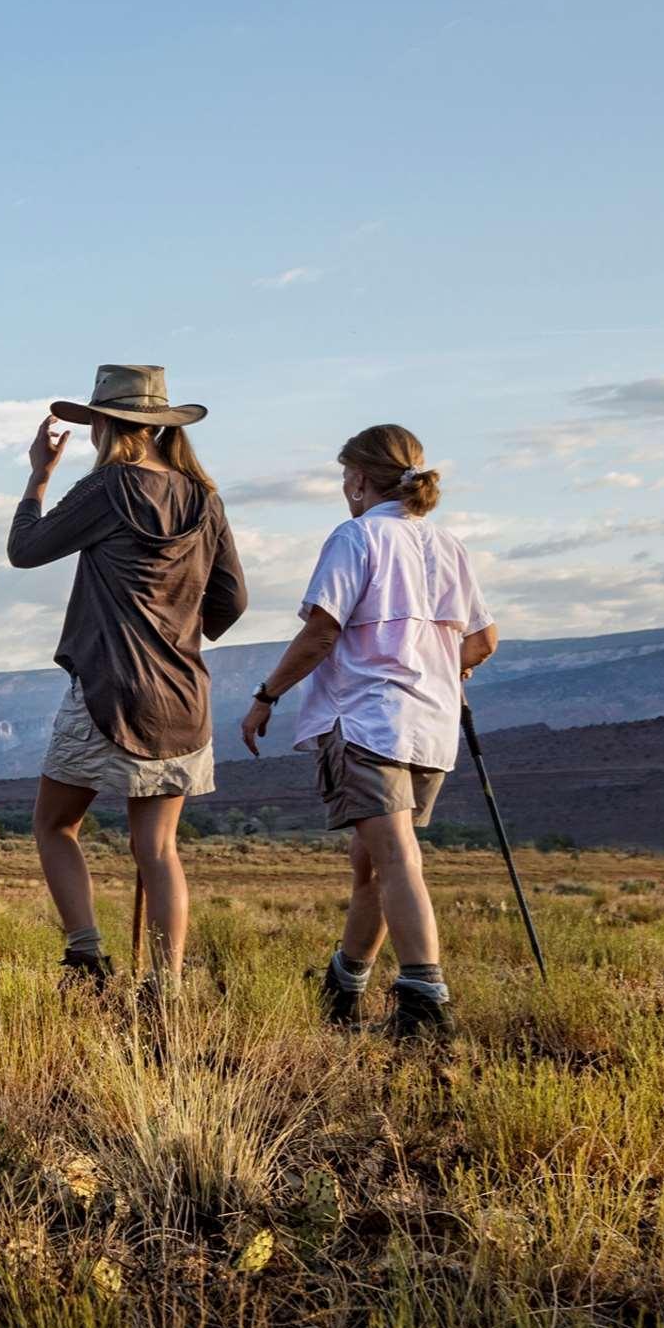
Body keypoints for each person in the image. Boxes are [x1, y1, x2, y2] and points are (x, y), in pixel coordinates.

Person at [240, 423, 495, 1038]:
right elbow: (482, 640)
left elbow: (322, 632)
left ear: (356, 479)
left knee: (396, 860)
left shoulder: (356, 537)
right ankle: (344, 983)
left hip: (368, 722)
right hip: (431, 729)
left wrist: (266, 695)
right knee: (374, 869)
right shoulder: (447, 544)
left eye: (343, 478)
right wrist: (441, 668)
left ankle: (423, 1000)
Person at [9, 365, 248, 993]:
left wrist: (39, 475)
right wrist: (178, 623)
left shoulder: (108, 488)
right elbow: (231, 601)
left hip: (108, 690)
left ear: (109, 425)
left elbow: (25, 549)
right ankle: (165, 988)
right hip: (182, 695)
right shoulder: (205, 499)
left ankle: (86, 959)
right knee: (159, 850)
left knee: (56, 825)